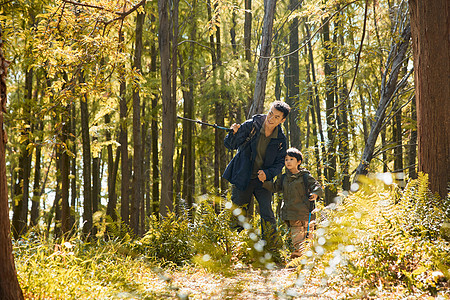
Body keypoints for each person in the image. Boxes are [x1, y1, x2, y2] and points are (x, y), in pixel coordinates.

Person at [223, 101, 290, 244]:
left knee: (267, 214)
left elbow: (280, 163)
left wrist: (268, 173)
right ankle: (236, 248)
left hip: (263, 182)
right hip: (243, 177)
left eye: (276, 117)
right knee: (238, 213)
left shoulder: (280, 139)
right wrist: (233, 133)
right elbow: (230, 145)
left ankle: (271, 248)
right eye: (270, 113)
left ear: (282, 120)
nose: (271, 118)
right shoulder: (251, 125)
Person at [263, 147, 323, 259]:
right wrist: (263, 181)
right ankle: (299, 258)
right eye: (286, 160)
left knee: (309, 237)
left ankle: (309, 258)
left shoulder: (305, 176)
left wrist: (315, 193)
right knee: (297, 238)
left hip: (306, 212)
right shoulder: (284, 177)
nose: (288, 162)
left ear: (298, 162)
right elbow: (275, 187)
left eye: (291, 159)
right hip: (292, 213)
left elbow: (316, 186)